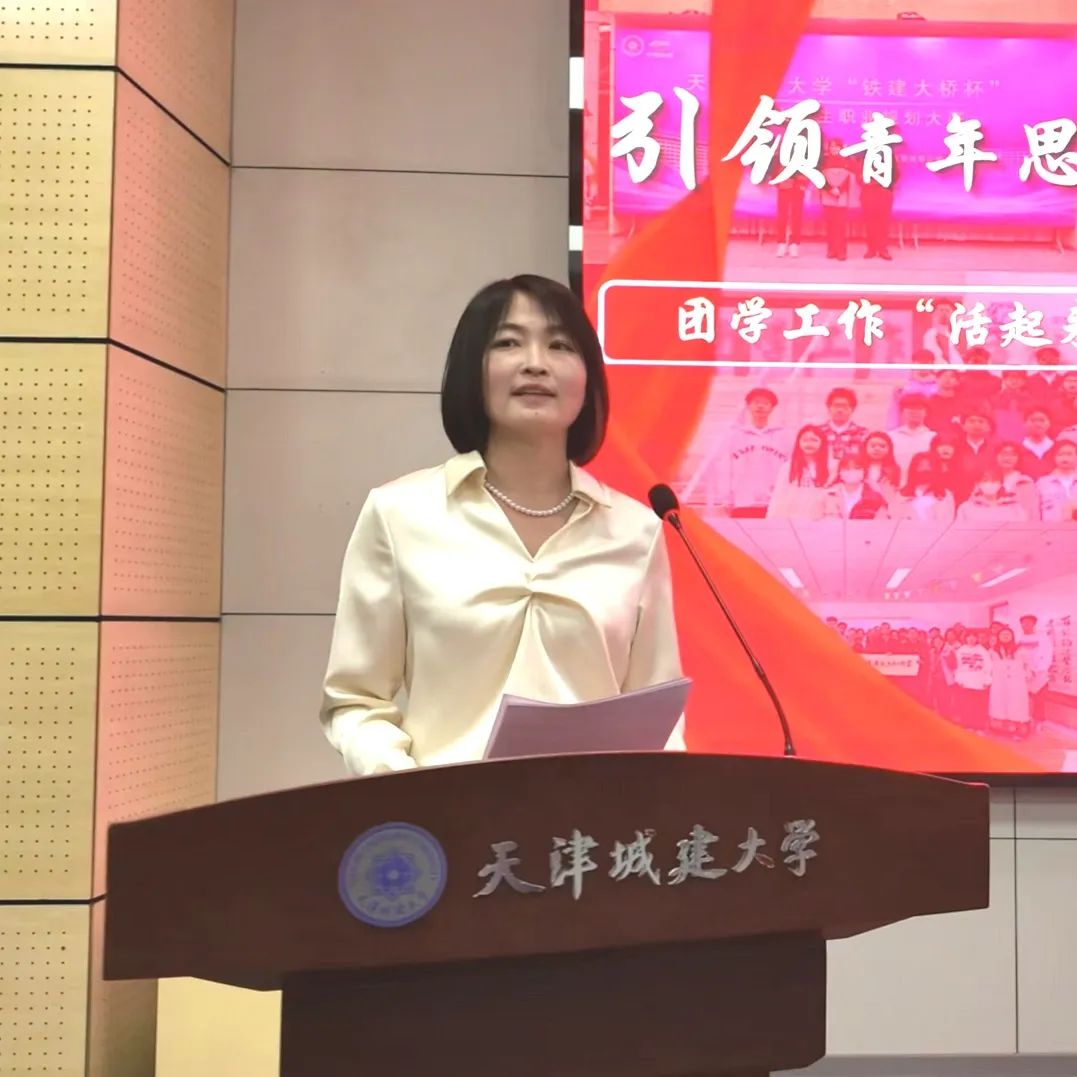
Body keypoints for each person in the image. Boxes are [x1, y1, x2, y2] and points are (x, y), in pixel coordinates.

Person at [319, 275, 684, 776]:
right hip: (444, 814)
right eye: (508, 343)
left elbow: (659, 718)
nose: (536, 362)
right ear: (473, 370)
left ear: (588, 379)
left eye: (560, 345)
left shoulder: (636, 531)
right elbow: (355, 700)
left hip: (592, 818)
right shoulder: (399, 513)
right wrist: (406, 789)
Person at [683, 387, 789, 518]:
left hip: (773, 501)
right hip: (742, 501)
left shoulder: (783, 436)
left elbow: (789, 468)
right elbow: (726, 467)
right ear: (748, 406)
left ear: (772, 408)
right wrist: (726, 497)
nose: (760, 406)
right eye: (756, 402)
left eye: (765, 403)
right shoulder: (734, 436)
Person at [766, 423, 830, 519]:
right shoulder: (788, 468)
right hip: (791, 519)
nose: (809, 444)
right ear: (798, 443)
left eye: (814, 440)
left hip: (819, 520)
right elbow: (778, 496)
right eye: (805, 440)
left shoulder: (830, 468)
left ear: (822, 443)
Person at [988, 628, 1032, 739]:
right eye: (1003, 634)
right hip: (999, 683)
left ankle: (1018, 731)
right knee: (1000, 706)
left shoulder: (1020, 650)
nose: (1005, 636)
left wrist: (1026, 676)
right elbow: (988, 667)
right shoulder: (992, 651)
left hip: (1016, 684)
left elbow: (1027, 665)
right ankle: (1003, 730)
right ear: (998, 636)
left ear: (1012, 636)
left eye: (1008, 634)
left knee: (1016, 706)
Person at [822, 450, 889, 519]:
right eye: (847, 469)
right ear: (840, 472)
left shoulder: (875, 497)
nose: (852, 471)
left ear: (864, 471)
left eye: (857, 468)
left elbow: (882, 521)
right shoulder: (828, 495)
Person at [892, 452, 955, 523]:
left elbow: (948, 521)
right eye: (920, 466)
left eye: (929, 466)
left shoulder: (946, 496)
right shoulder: (901, 496)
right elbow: (894, 519)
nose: (925, 469)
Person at [888, 392, 936, 482]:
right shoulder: (890, 437)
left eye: (919, 408)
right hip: (895, 486)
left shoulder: (933, 438)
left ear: (926, 412)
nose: (914, 412)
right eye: (910, 408)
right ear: (902, 412)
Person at [955, 469, 1030, 523]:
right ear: (978, 483)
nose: (990, 483)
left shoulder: (1015, 508)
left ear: (1001, 484)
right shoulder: (966, 508)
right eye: (985, 480)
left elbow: (1024, 531)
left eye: (994, 480)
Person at [820, 138, 852, 260]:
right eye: (832, 147)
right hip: (827, 196)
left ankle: (841, 252)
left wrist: (839, 190)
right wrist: (830, 189)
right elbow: (820, 178)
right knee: (830, 225)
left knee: (840, 226)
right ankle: (831, 250)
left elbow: (849, 179)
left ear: (841, 148)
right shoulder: (824, 161)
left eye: (836, 146)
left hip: (841, 197)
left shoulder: (847, 161)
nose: (834, 149)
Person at [1036, 438, 1077, 521]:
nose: (1065, 458)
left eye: (1069, 454)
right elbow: (1035, 512)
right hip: (1051, 528)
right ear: (1054, 457)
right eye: (1060, 455)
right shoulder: (1043, 483)